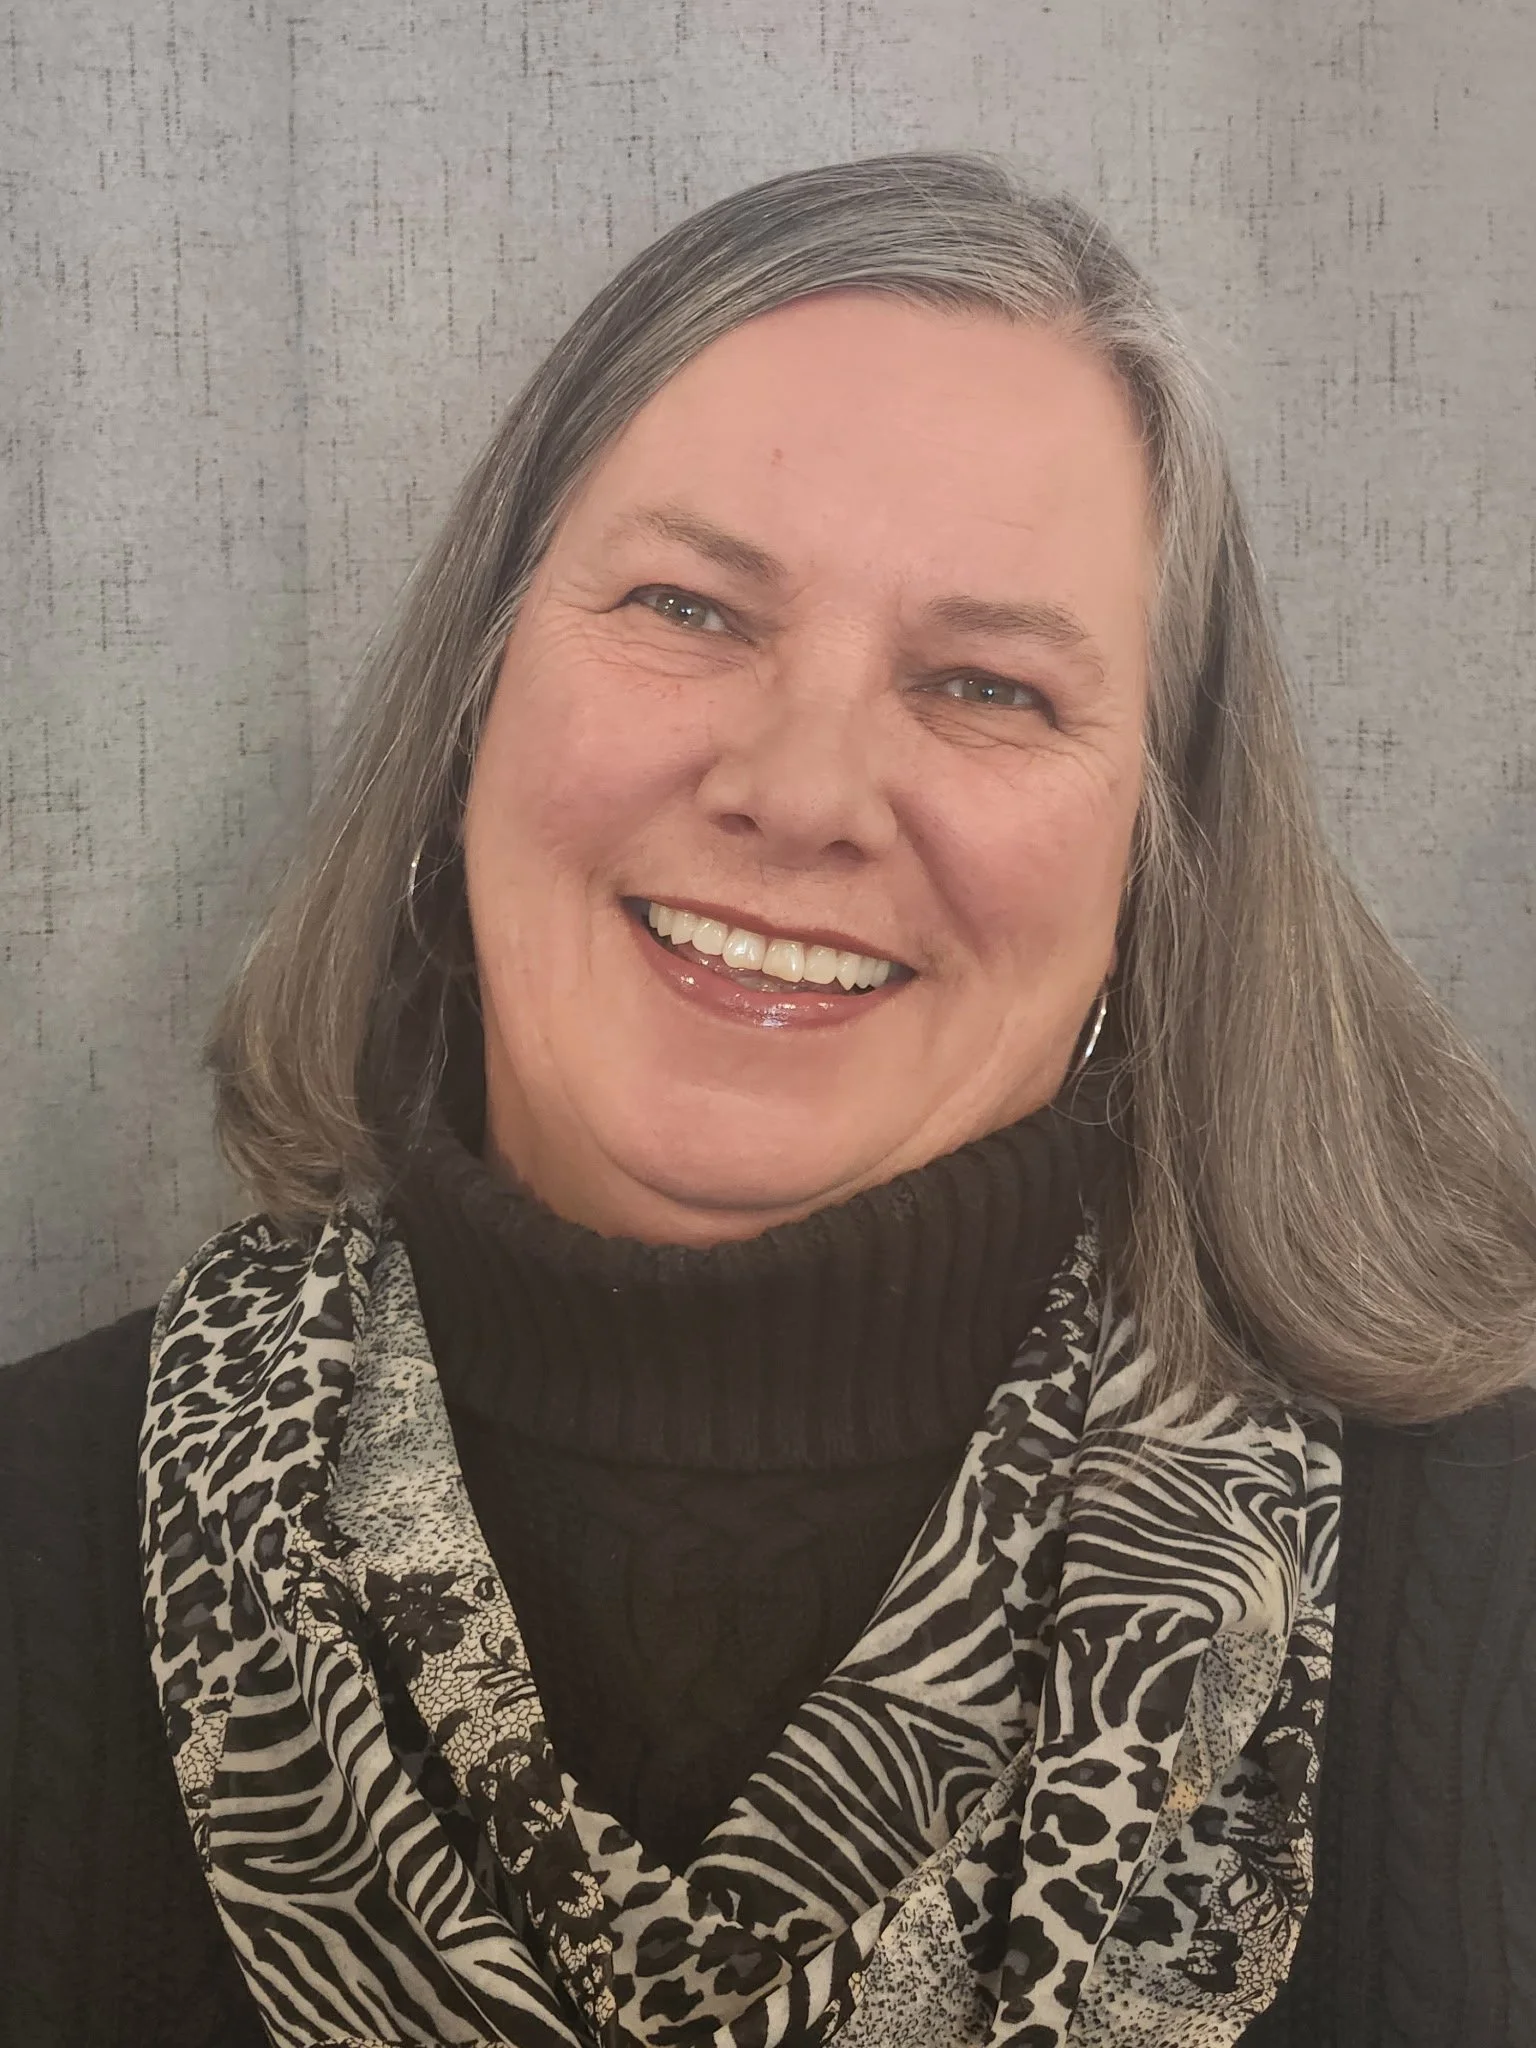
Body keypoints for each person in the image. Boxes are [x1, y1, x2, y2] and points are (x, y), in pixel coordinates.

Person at [2, 152, 1533, 2048]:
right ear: (475, 704)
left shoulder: (1490, 1582)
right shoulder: (31, 1528)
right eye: (691, 608)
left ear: (1159, 859)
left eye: (983, 685)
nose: (804, 790)